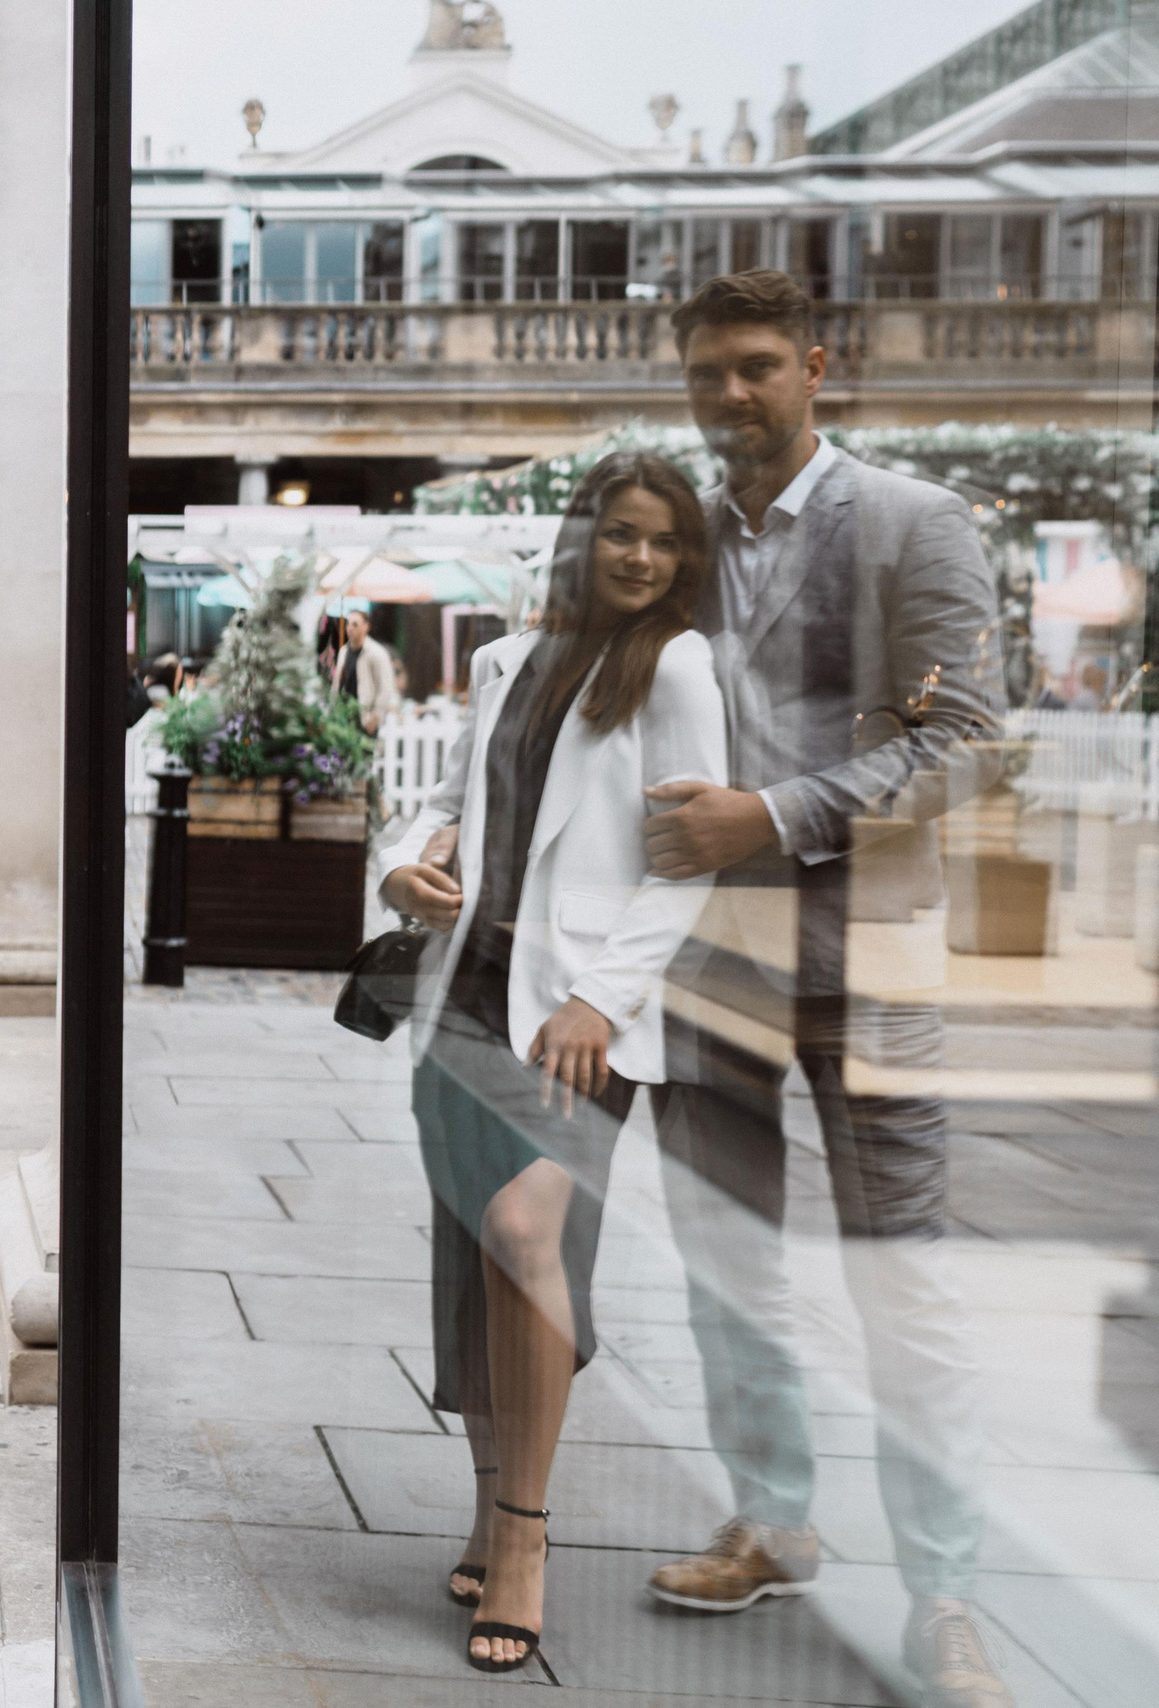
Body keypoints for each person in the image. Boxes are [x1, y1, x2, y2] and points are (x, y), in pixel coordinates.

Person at [637, 270, 1012, 1708]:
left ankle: (948, 1594)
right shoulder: (669, 537)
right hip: (702, 960)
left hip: (871, 958)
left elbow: (965, 744)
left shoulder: (915, 523)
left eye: (755, 368)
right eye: (707, 373)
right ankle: (772, 1521)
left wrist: (772, 815)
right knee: (728, 1266)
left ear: (817, 368)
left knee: (898, 1281)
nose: (730, 395)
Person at [378, 451, 727, 1674]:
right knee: (479, 1254)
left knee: (530, 1240)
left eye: (664, 543)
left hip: (577, 1019)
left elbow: (691, 860)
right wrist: (407, 862)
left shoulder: (675, 668)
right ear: (582, 538)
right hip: (470, 990)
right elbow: (448, 802)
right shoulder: (506, 660)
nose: (641, 559)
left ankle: (522, 1534)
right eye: (622, 535)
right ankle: (486, 1500)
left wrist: (596, 997)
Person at [332, 603, 401, 733]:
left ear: (366, 627)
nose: (350, 628)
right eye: (348, 624)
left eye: (355, 624)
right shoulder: (344, 651)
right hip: (344, 718)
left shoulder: (376, 653)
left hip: (365, 720)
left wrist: (375, 718)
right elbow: (337, 684)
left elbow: (386, 688)